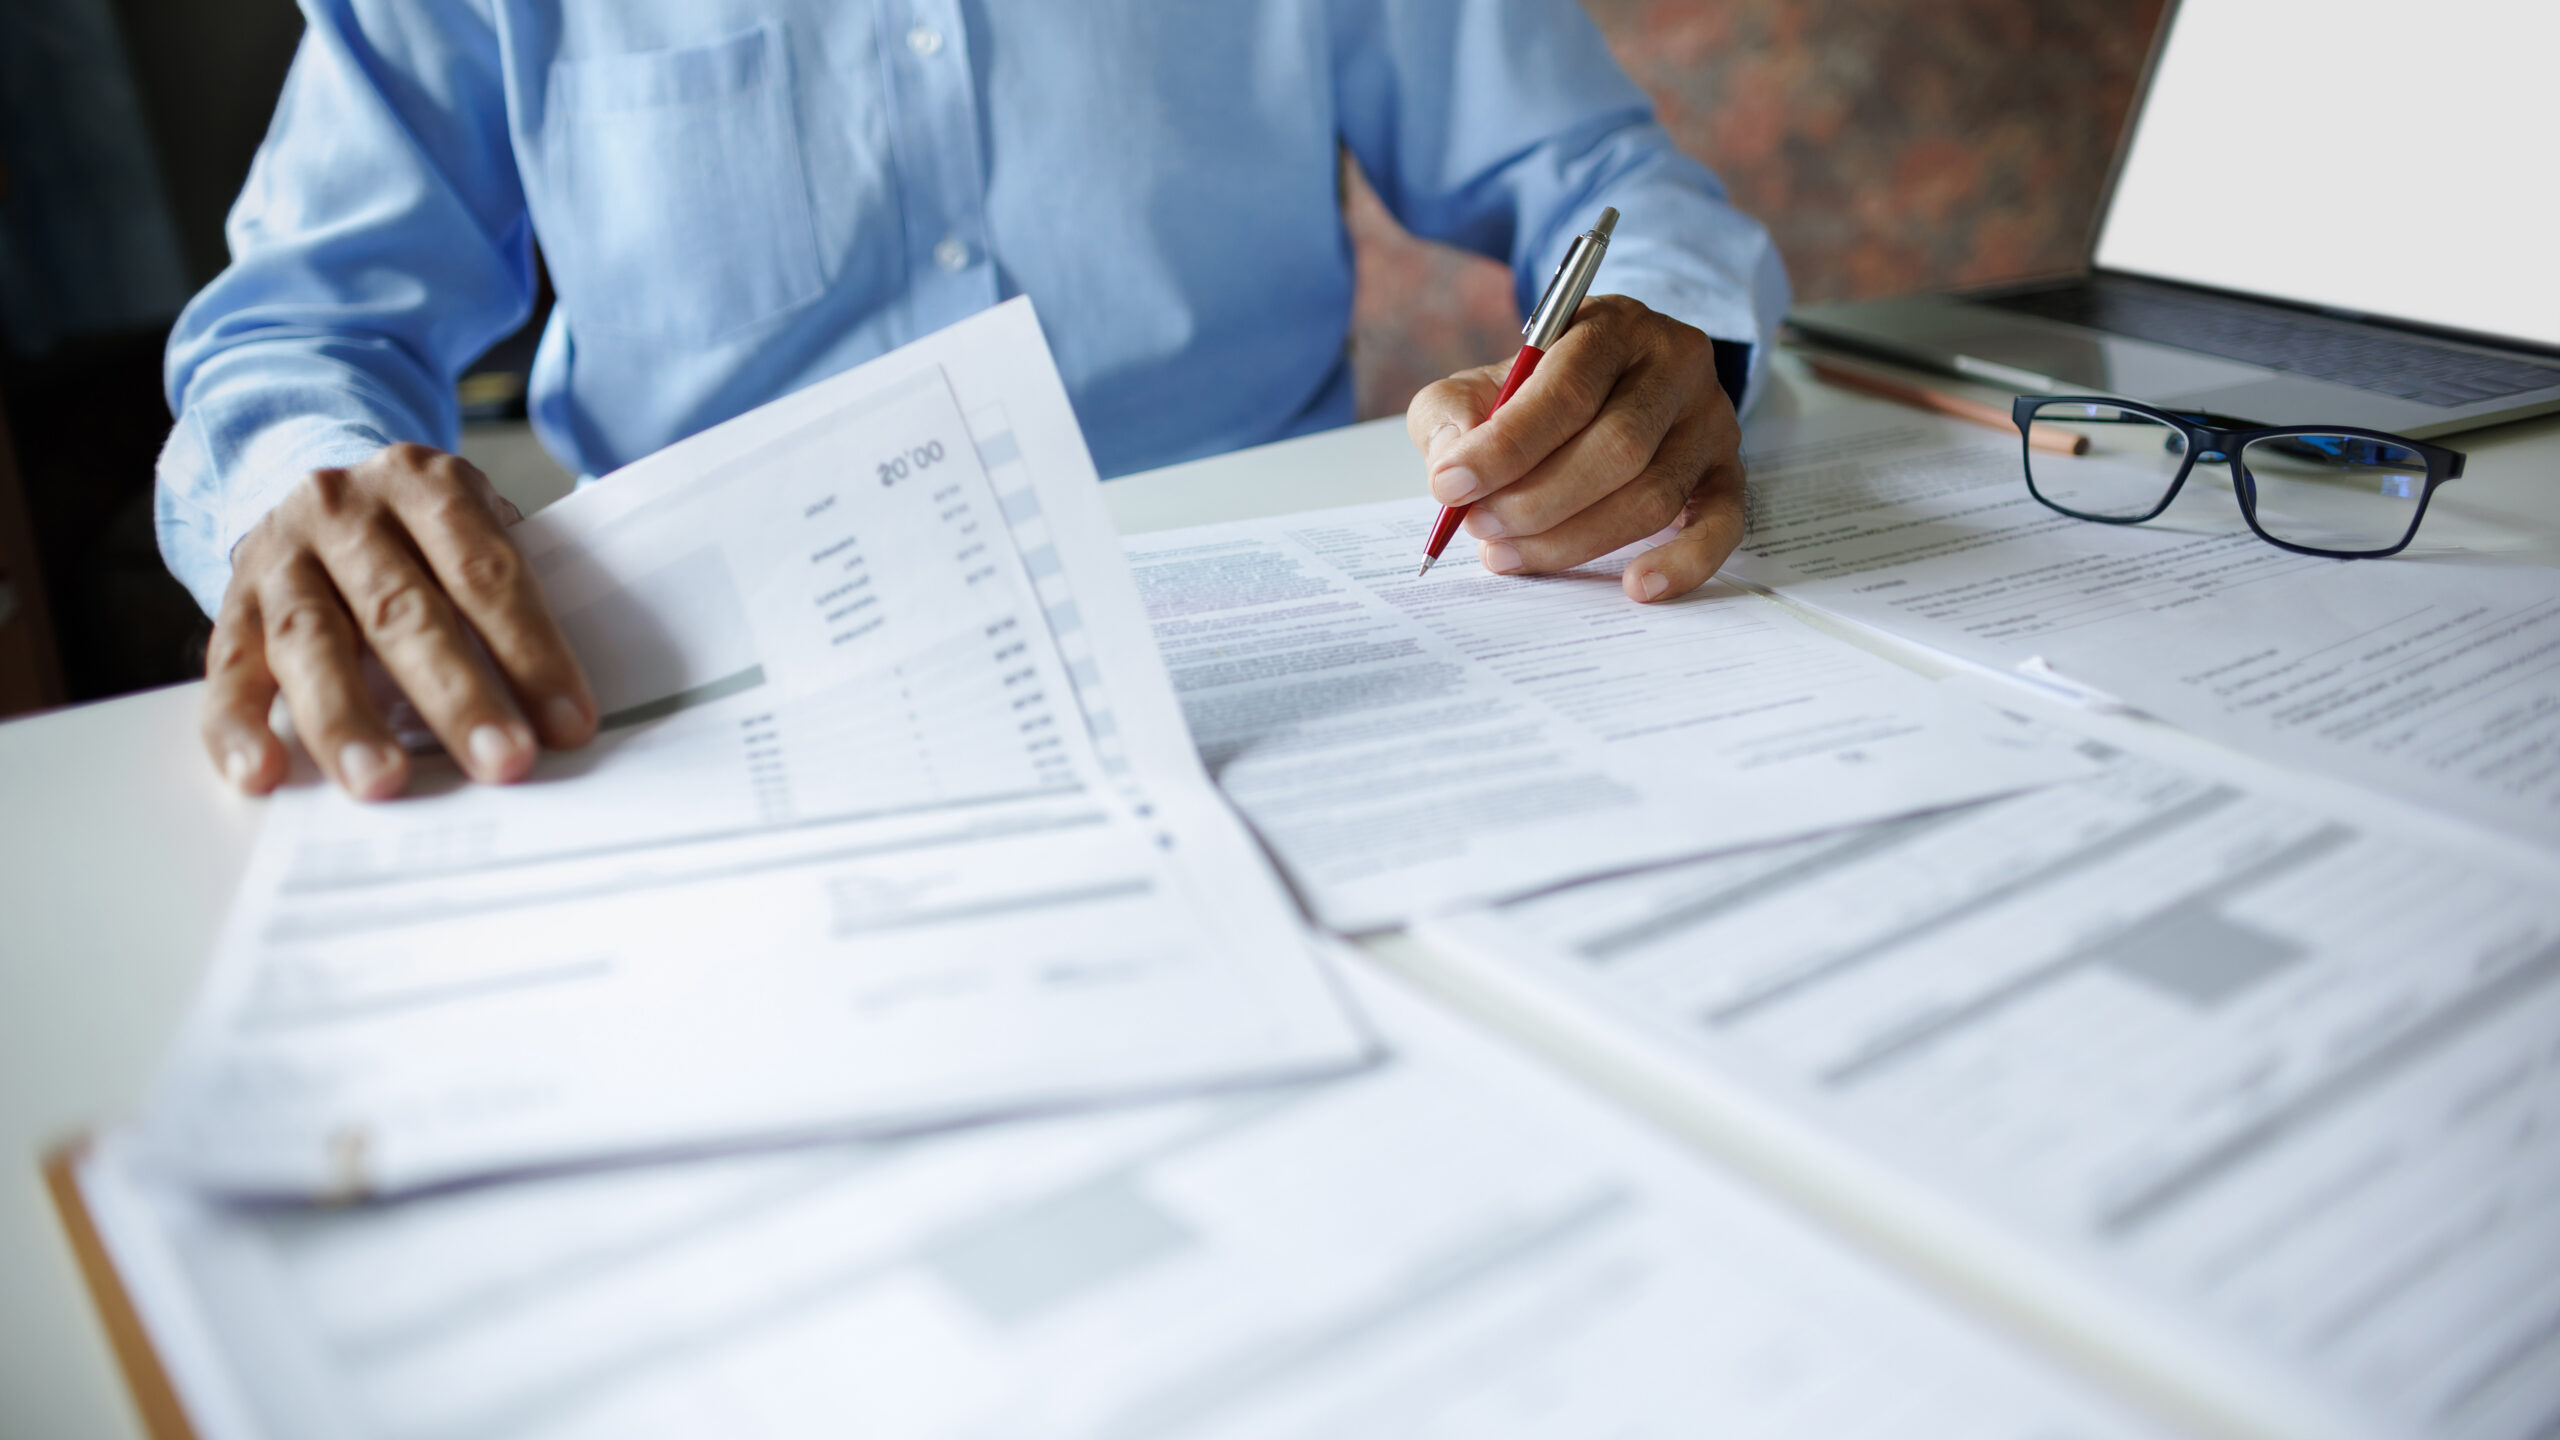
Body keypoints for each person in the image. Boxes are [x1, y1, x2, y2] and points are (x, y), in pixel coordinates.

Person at [159, 0, 1788, 801]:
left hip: (1322, 669)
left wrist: (1681, 353)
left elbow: (1598, 175)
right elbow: (294, 328)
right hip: (705, 713)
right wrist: (317, 482)